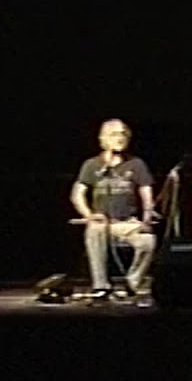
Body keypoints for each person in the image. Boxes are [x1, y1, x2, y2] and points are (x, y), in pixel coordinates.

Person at [70, 119, 160, 300]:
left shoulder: (136, 164)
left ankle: (132, 282)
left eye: (123, 134)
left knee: (148, 241)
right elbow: (77, 194)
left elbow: (146, 192)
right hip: (102, 224)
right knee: (95, 230)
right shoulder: (92, 165)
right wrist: (89, 215)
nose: (120, 138)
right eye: (114, 134)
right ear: (103, 139)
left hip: (126, 224)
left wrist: (147, 218)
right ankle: (101, 286)